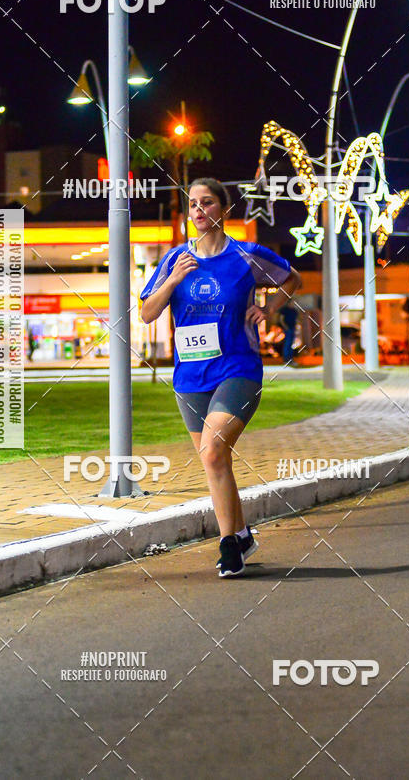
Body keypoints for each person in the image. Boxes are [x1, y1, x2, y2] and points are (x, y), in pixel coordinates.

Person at [140, 177, 301, 577]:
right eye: (192, 204)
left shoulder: (247, 256)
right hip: (190, 377)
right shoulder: (174, 259)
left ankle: (229, 544)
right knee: (215, 460)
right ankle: (242, 533)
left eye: (206, 202)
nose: (198, 210)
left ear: (223, 210)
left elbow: (291, 278)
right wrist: (174, 279)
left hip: (238, 368)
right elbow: (146, 312)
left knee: (212, 451)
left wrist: (270, 308)